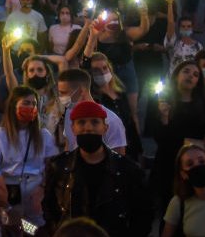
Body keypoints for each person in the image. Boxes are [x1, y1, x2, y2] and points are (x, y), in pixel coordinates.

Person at [42, 101, 152, 237]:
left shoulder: (126, 169)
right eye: (81, 122)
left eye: (95, 122)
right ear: (73, 128)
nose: (88, 128)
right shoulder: (59, 167)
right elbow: (49, 208)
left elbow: (142, 214)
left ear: (105, 128)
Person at [0, 86, 58, 230]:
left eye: (34, 103)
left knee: (36, 231)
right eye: (26, 103)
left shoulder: (43, 135)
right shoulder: (0, 135)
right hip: (10, 195)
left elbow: (53, 166)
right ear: (14, 106)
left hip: (35, 196)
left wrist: (43, 188)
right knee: (15, 227)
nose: (31, 107)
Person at [147, 60, 205, 211]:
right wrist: (164, 117)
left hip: (195, 163)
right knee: (170, 206)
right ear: (177, 74)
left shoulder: (202, 104)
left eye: (195, 75)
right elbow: (158, 137)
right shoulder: (162, 101)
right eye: (186, 71)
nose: (190, 76)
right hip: (168, 161)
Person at [55, 69, 126, 154]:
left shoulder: (111, 121)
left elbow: (119, 158)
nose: (60, 97)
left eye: (64, 93)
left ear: (81, 91)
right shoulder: (70, 112)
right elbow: (69, 145)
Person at [161, 143, 205, 237]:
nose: (197, 166)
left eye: (202, 161)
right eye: (190, 164)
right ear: (184, 174)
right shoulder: (178, 202)